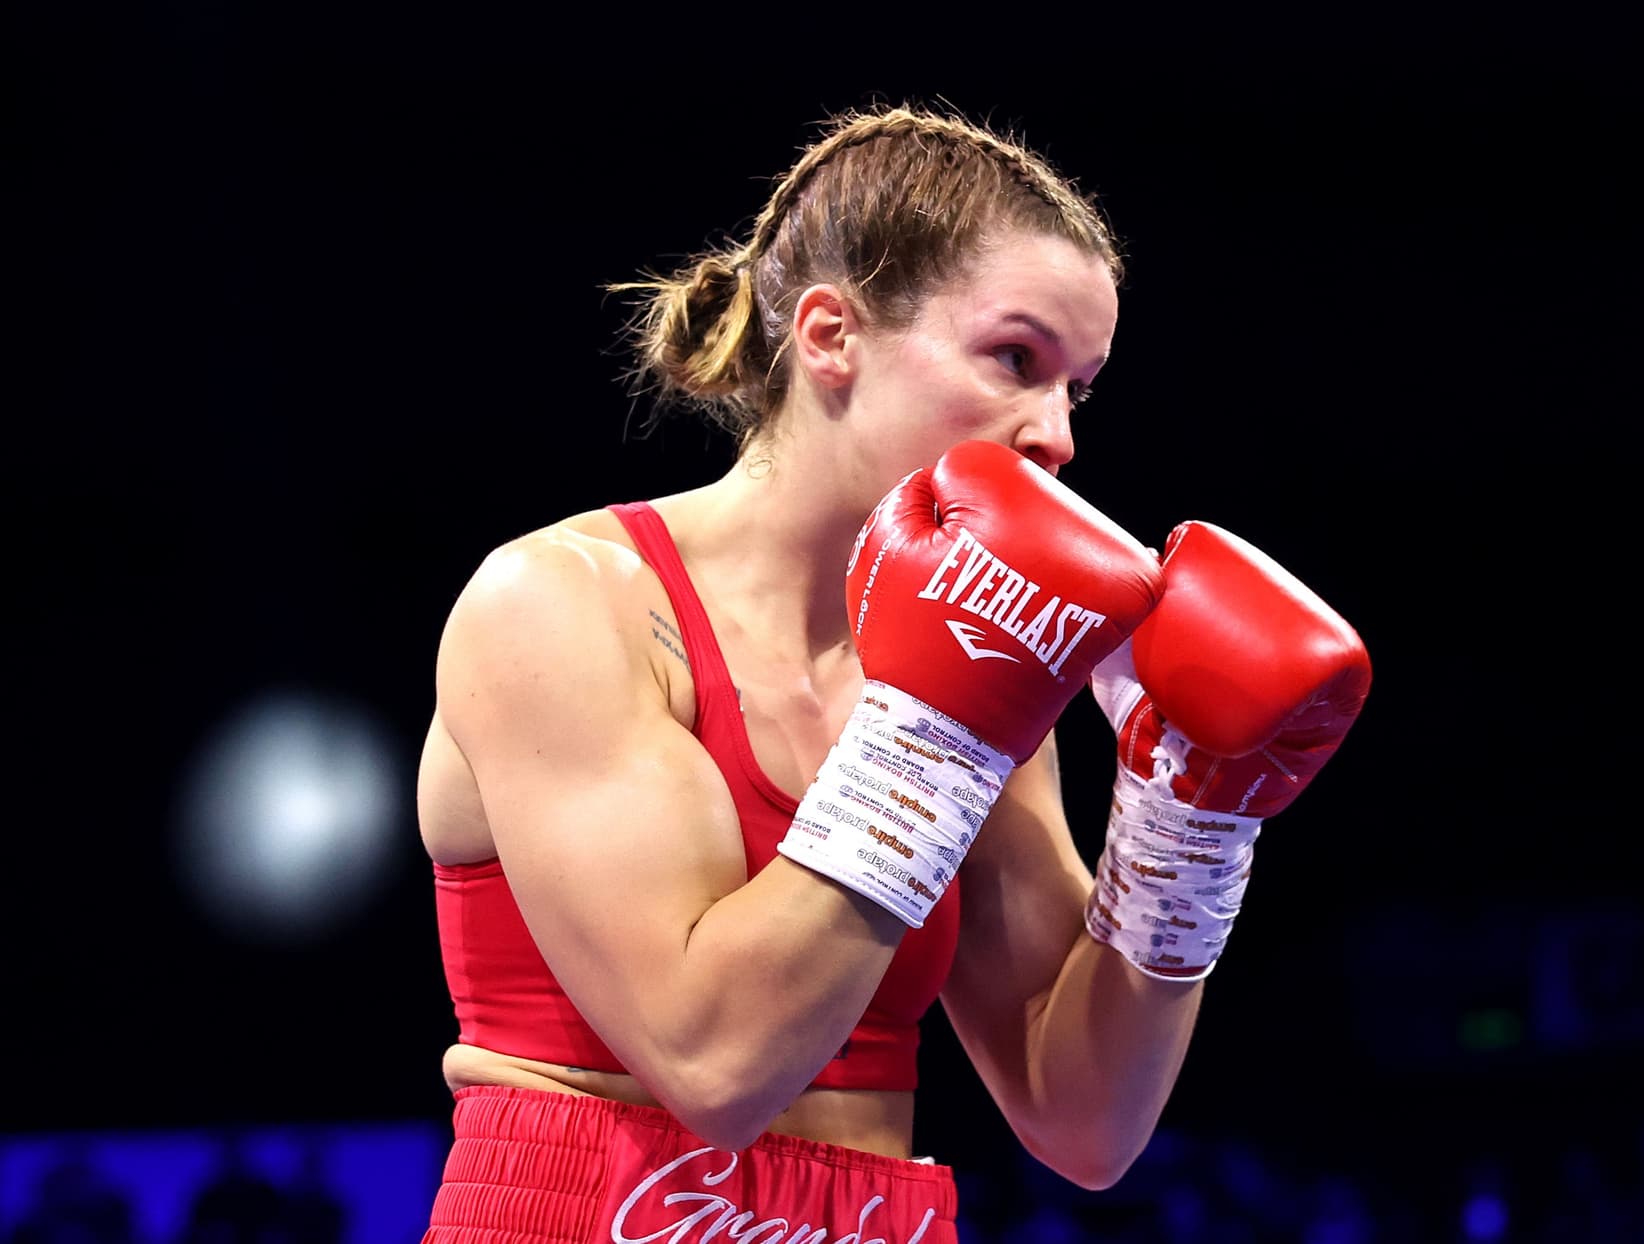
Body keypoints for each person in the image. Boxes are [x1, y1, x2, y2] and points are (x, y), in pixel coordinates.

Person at [415, 100, 1373, 1242]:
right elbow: (714, 1062)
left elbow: (1085, 1122)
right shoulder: (560, 604)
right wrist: (932, 733)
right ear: (830, 335)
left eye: (1076, 386)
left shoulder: (978, 669)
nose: (1057, 433)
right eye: (1016, 358)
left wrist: (1184, 834)